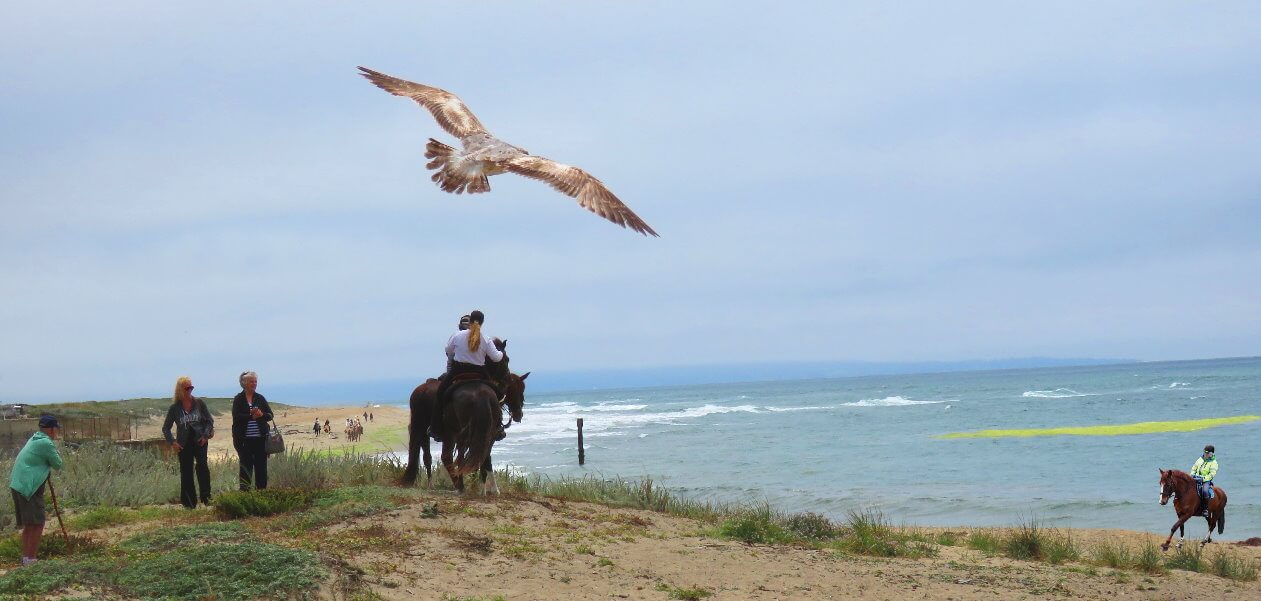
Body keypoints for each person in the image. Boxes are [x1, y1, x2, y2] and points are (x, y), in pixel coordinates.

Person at [431, 309, 504, 441]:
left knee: (440, 394)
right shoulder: (486, 338)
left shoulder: (457, 335)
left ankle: (435, 428)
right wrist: (501, 352)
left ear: (470, 321)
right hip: (479, 372)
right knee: (499, 395)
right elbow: (497, 358)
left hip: (458, 371)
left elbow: (448, 350)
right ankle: (498, 426)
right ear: (482, 323)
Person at [9, 415, 64, 566]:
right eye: (56, 429)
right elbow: (58, 464)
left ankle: (26, 558)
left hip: (18, 484)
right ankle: (31, 560)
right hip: (28, 487)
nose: (57, 432)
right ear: (52, 430)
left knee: (30, 524)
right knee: (37, 523)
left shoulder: (35, 438)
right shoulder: (46, 442)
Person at [162, 376, 215, 508]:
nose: (189, 390)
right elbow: (166, 428)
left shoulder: (199, 403)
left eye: (191, 387)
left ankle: (206, 498)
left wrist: (205, 435)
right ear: (180, 389)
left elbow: (209, 420)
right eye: (187, 388)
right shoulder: (175, 408)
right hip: (183, 443)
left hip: (199, 440)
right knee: (186, 471)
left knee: (202, 467)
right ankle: (189, 502)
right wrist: (173, 442)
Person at [231, 371, 273, 491]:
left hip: (260, 440)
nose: (254, 383)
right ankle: (245, 495)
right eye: (251, 381)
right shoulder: (238, 399)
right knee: (245, 468)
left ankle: (261, 493)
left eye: (255, 381)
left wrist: (261, 415)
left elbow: (270, 415)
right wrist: (251, 416)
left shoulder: (260, 398)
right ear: (244, 383)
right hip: (244, 440)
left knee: (261, 468)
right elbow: (237, 417)